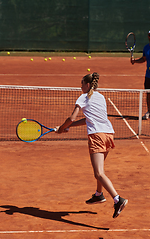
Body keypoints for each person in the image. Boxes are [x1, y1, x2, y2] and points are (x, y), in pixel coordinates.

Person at [55, 72, 128, 219]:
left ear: (87, 85)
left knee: (98, 173)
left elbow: (71, 117)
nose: (81, 86)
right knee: (100, 170)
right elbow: (88, 119)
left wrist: (62, 128)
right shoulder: (100, 97)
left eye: (82, 84)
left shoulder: (83, 97)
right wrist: (69, 127)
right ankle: (98, 194)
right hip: (109, 135)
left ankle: (117, 199)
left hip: (97, 137)